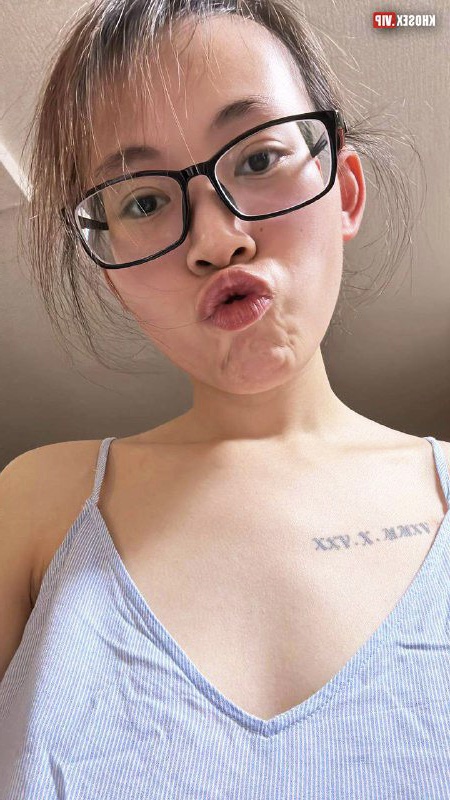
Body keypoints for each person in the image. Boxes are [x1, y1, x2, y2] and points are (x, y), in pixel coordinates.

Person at [1, 0, 449, 797]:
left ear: (345, 191)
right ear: (113, 276)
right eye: (143, 202)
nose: (217, 240)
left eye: (259, 157)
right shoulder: (38, 503)